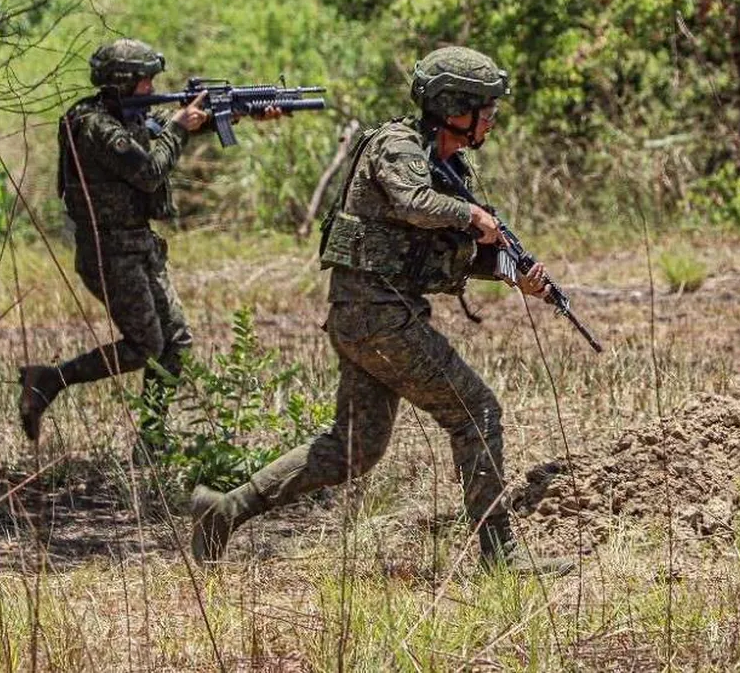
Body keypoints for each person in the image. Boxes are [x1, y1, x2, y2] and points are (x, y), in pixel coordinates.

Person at [190, 46, 574, 575]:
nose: (491, 118)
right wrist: (471, 215)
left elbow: (435, 250)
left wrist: (514, 275)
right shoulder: (398, 148)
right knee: (477, 412)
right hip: (378, 317)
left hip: (369, 315)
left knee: (353, 449)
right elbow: (416, 206)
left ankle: (225, 509)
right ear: (452, 105)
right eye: (484, 107)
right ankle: (499, 557)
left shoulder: (445, 163)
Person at [17, 38, 277, 455]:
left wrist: (238, 113)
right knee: (144, 346)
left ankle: (152, 439)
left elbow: (160, 129)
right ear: (122, 83)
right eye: (145, 81)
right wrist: (181, 126)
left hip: (140, 245)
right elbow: (151, 170)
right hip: (109, 251)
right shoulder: (96, 126)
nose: (152, 87)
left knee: (175, 341)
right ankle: (49, 380)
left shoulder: (127, 117)